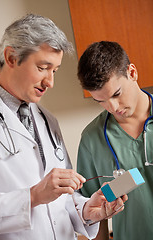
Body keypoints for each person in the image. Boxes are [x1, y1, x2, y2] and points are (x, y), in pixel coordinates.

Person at [0, 15, 127, 240]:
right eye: (43, 68)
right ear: (11, 57)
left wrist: (86, 210)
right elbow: (41, 196)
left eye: (54, 71)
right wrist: (33, 196)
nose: (50, 82)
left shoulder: (47, 120)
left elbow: (59, 199)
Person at [77, 40, 153, 240]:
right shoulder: (92, 139)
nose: (112, 107)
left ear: (132, 72)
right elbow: (92, 209)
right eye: (100, 101)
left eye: (117, 94)